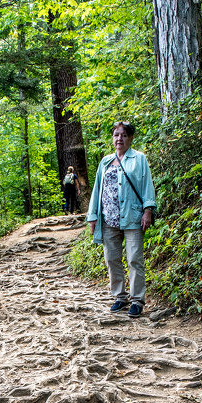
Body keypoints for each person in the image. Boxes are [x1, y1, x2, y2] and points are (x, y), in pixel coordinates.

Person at [86, 121, 156, 318]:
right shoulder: (106, 161)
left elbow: (147, 185)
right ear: (112, 138)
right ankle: (119, 296)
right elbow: (97, 190)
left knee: (134, 259)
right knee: (112, 259)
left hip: (133, 217)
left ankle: (137, 300)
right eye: (116, 135)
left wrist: (147, 211)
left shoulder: (139, 159)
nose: (119, 139)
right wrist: (93, 216)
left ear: (130, 138)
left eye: (124, 135)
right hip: (108, 219)